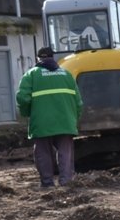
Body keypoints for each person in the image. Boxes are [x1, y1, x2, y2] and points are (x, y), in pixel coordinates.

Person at [16, 47, 83, 188]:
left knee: (43, 153)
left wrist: (27, 113)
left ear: (37, 59)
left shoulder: (31, 75)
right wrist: (74, 119)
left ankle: (47, 184)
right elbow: (78, 102)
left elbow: (22, 98)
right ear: (53, 58)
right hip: (65, 122)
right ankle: (66, 183)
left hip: (41, 122)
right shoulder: (66, 74)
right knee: (65, 153)